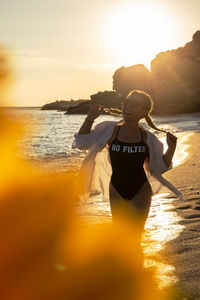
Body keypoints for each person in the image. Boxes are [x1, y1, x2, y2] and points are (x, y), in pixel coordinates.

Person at [72, 90, 182, 231]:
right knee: (120, 236)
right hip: (116, 190)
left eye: (134, 104)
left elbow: (159, 167)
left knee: (135, 237)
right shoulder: (110, 130)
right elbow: (82, 142)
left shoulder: (147, 138)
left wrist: (171, 148)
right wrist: (89, 119)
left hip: (140, 191)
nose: (128, 107)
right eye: (127, 102)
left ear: (144, 111)